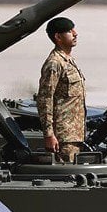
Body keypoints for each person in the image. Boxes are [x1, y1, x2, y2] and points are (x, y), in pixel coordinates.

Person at [36, 17, 86, 163]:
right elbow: (45, 99)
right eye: (69, 31)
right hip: (63, 138)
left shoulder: (68, 60)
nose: (75, 33)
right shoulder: (54, 63)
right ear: (58, 37)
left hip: (75, 135)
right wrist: (49, 135)